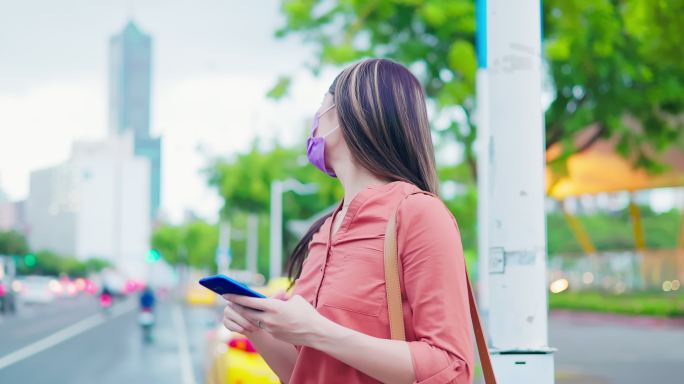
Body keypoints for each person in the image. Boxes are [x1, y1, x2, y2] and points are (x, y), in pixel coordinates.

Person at [222, 58, 473, 384]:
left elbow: (451, 367)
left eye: (321, 108)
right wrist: (257, 327)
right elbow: (304, 372)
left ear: (351, 115)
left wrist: (317, 331)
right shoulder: (324, 231)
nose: (314, 123)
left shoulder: (419, 215)